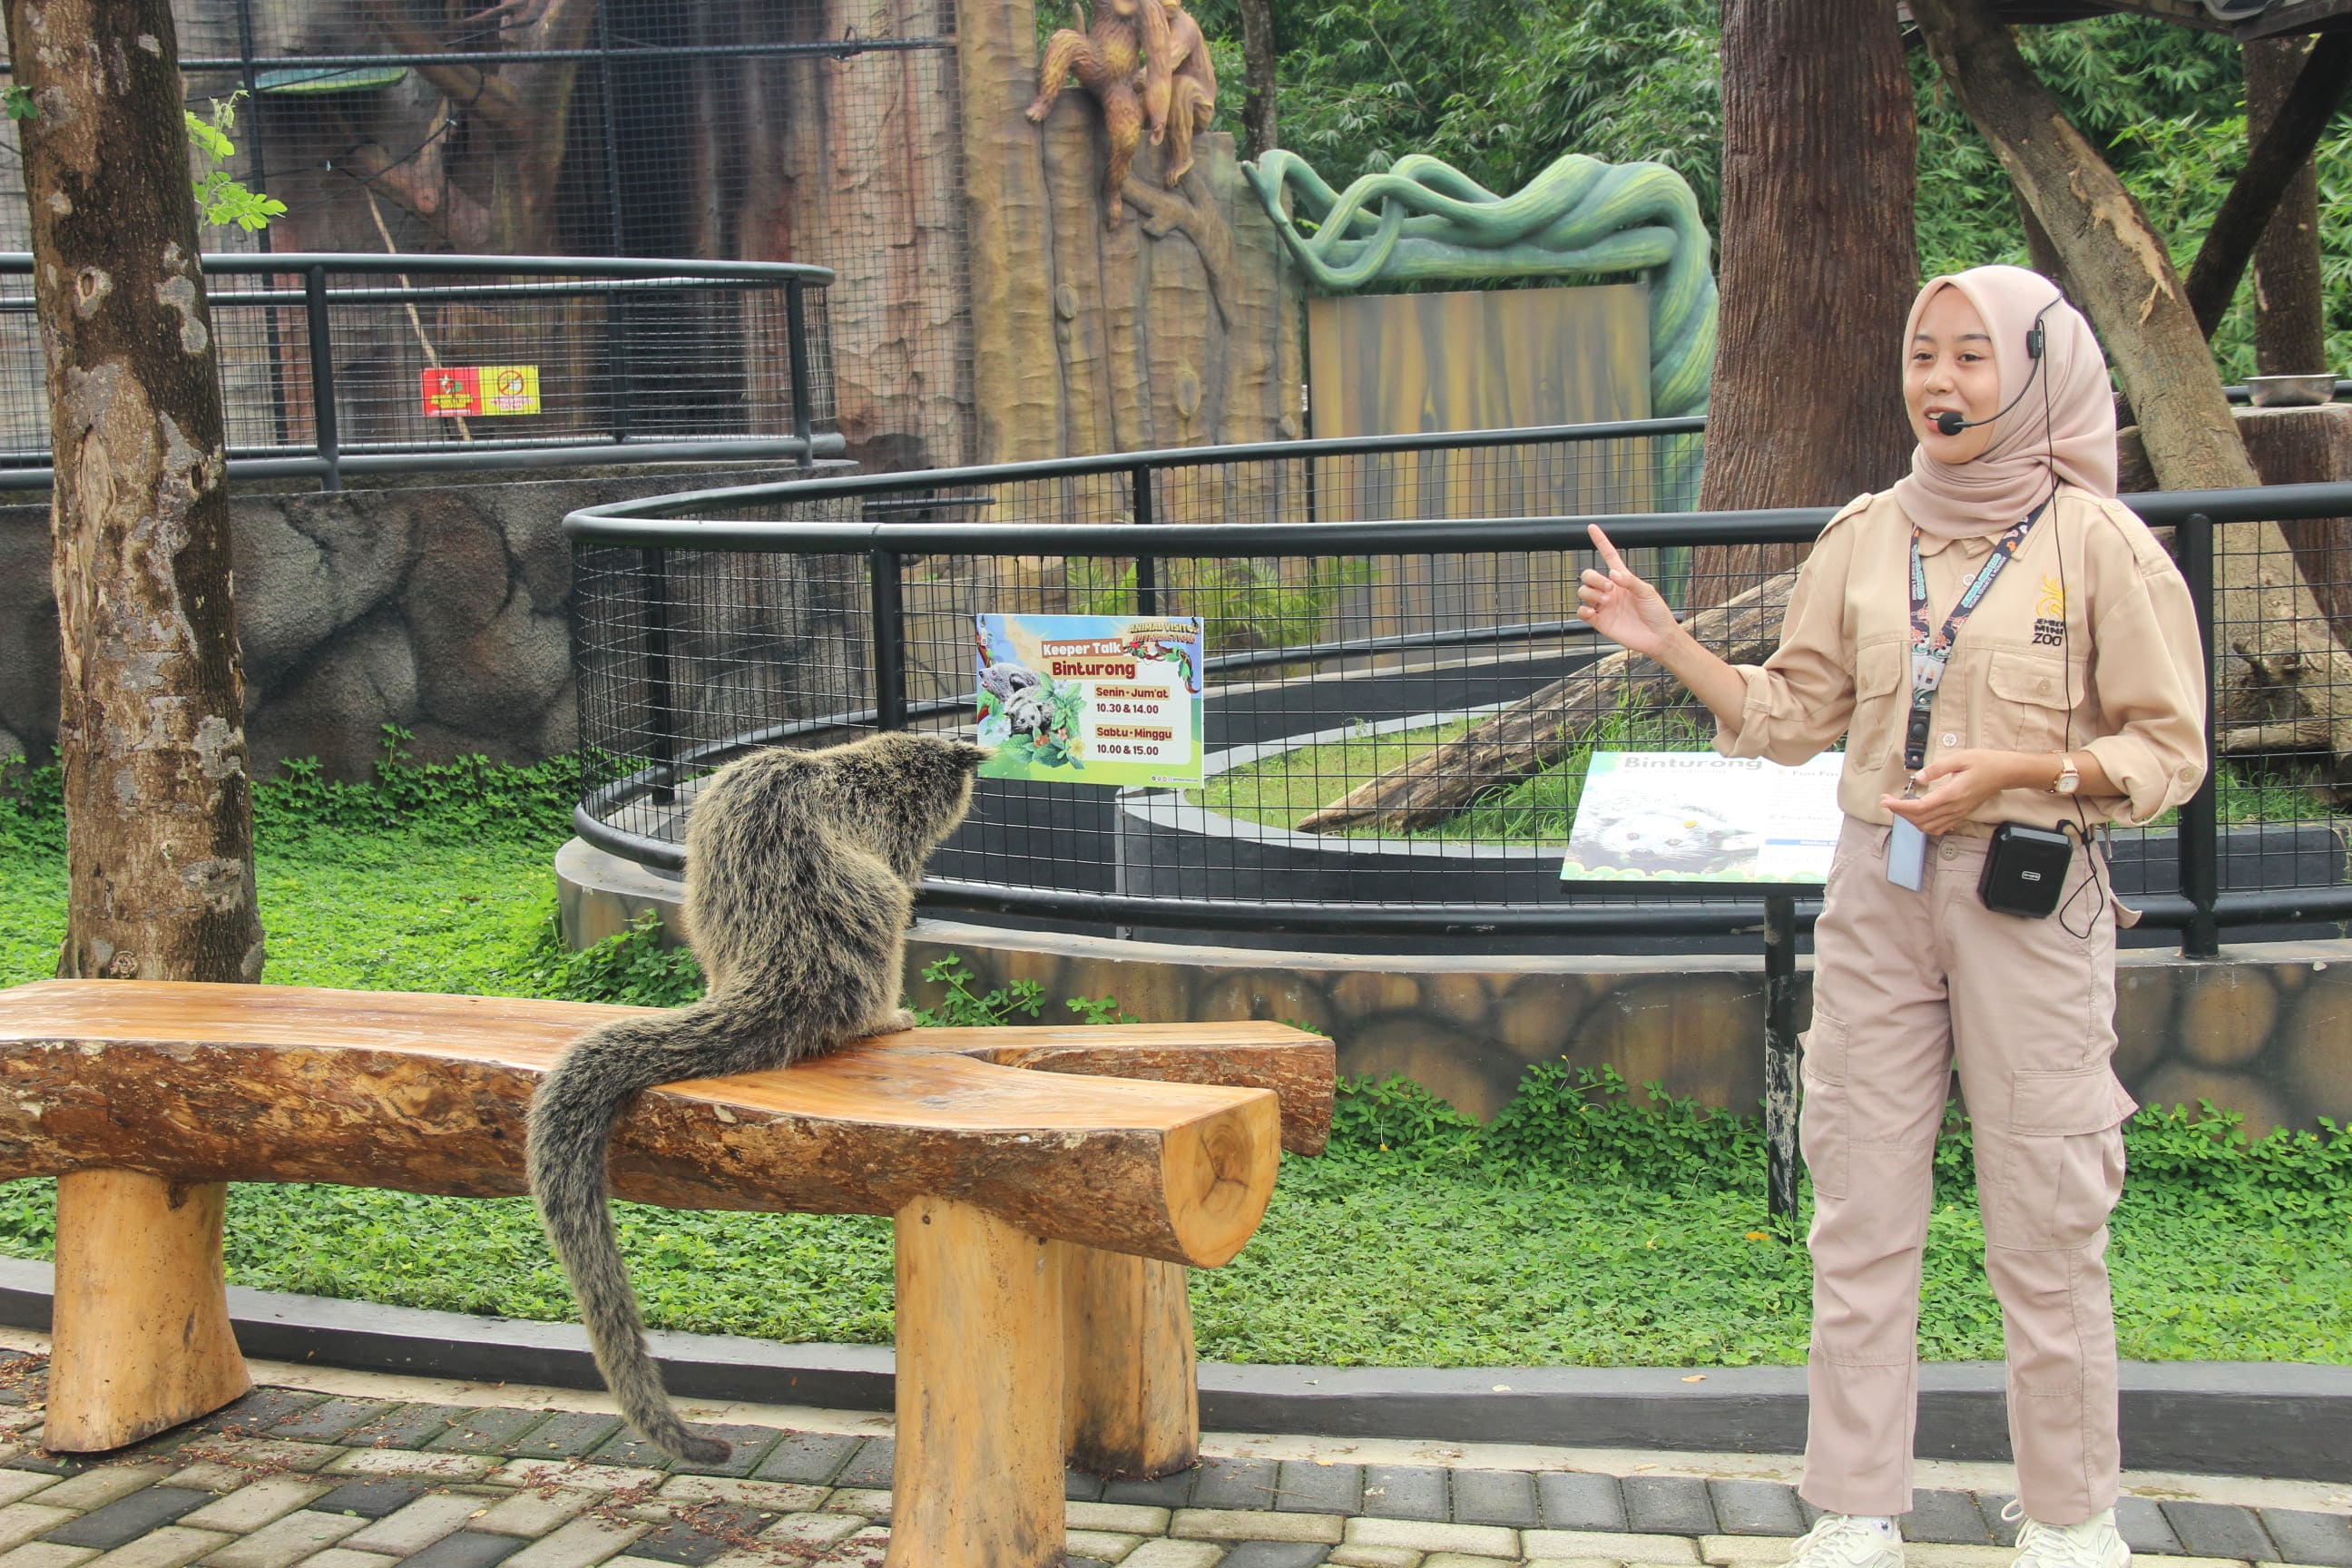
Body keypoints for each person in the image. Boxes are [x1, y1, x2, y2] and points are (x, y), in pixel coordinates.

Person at [1574, 265, 2207, 1568]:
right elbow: (1791, 716)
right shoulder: (1867, 534)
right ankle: (1857, 1502)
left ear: (2034, 372)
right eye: (1924, 357)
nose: (1941, 384)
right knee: (1858, 1199)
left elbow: (2167, 749)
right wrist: (1670, 641)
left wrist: (2024, 772)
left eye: (1974, 358)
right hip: (1878, 893)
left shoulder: (2098, 543)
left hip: (2031, 895)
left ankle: (2074, 1512)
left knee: (2049, 1208)